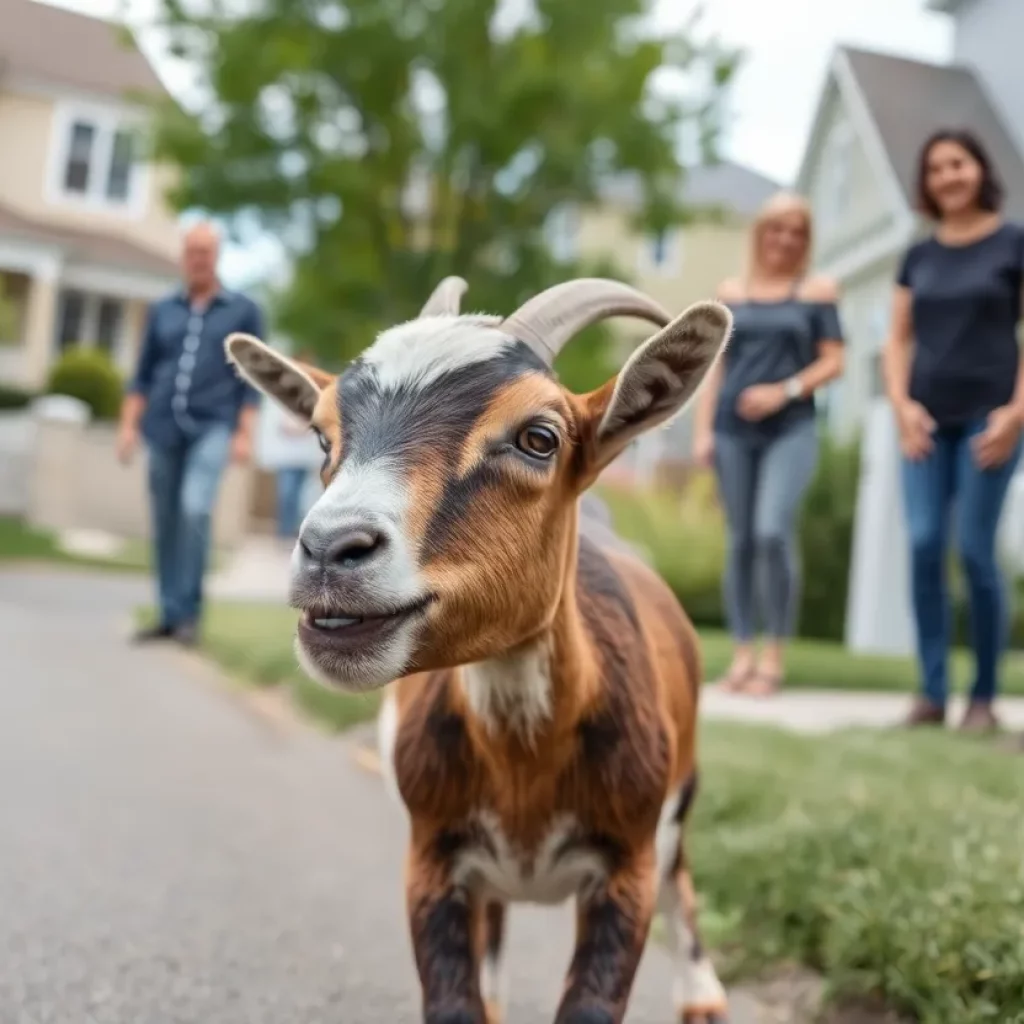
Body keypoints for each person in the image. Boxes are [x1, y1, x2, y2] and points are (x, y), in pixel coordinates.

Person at [882, 128, 1024, 732]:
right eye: (936, 168)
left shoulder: (1013, 243)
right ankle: (932, 693)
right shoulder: (919, 255)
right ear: (927, 182)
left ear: (979, 169)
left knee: (972, 548)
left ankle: (985, 698)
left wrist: (1017, 413)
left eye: (958, 164)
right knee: (921, 545)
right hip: (925, 424)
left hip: (990, 421)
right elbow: (896, 339)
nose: (948, 176)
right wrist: (901, 406)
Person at [692, 191, 846, 696]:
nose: (785, 239)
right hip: (734, 432)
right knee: (739, 541)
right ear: (760, 233)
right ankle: (741, 656)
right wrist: (703, 431)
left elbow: (834, 362)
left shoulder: (817, 291)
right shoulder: (730, 291)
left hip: (791, 428)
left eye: (797, 231)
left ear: (805, 240)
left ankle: (774, 657)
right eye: (777, 229)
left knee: (771, 533)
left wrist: (785, 391)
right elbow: (717, 367)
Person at [116, 221, 264, 647]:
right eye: (192, 251)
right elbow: (141, 376)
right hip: (161, 426)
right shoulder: (163, 310)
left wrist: (244, 433)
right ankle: (168, 612)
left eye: (207, 251)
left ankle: (190, 615)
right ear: (184, 256)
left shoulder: (243, 311)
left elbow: (251, 380)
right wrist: (128, 426)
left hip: (213, 426)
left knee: (195, 509)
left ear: (217, 257)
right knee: (165, 520)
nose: (199, 259)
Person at [254, 348, 323, 544]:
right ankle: (283, 531)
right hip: (286, 453)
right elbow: (278, 423)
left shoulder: (314, 393)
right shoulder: (281, 391)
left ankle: (296, 532)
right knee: (286, 493)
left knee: (304, 497)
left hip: (306, 455)